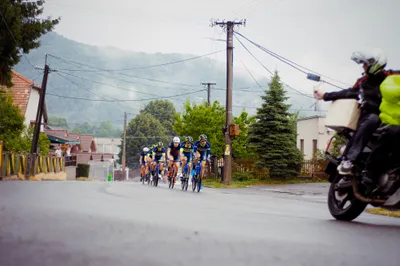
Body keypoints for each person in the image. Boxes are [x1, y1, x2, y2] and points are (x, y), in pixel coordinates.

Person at [314, 48, 396, 175]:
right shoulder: (363, 82)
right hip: (370, 119)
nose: (363, 67)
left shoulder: (392, 76)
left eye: (365, 64)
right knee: (372, 119)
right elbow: (348, 92)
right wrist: (325, 95)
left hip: (392, 120)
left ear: (374, 65)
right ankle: (349, 160)